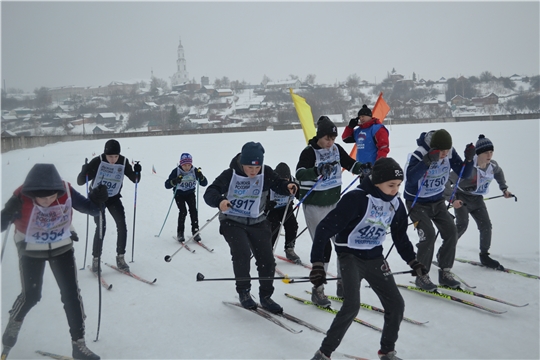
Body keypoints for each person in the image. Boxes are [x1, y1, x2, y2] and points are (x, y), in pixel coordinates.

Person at [309, 158, 427, 360]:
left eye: (398, 185)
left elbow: (400, 236)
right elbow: (324, 229)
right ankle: (324, 353)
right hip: (350, 256)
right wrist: (318, 264)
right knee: (351, 306)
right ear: (377, 181)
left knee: (396, 304)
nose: (395, 190)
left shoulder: (396, 204)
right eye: (391, 185)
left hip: (375, 257)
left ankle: (387, 352)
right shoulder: (356, 199)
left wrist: (412, 261)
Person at [1, 163, 108, 360]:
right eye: (43, 197)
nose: (48, 201)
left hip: (61, 247)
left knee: (71, 295)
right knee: (31, 295)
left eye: (52, 196)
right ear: (32, 193)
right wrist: (7, 214)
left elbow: (92, 210)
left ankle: (79, 345)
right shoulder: (21, 195)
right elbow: (2, 224)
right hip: (31, 250)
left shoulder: (65, 189)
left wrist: (98, 199)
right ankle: (11, 332)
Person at [203, 142, 297, 314]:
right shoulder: (230, 174)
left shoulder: (265, 172)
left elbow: (277, 184)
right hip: (232, 221)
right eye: (249, 168)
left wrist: (287, 187)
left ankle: (266, 296)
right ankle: (244, 292)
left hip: (257, 220)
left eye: (257, 167)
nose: (254, 172)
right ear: (242, 163)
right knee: (242, 253)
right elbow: (210, 192)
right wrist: (220, 201)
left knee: (267, 260)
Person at [295, 116, 370, 306]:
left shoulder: (336, 149)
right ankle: (318, 290)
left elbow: (350, 163)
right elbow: (300, 173)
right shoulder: (309, 152)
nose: (330, 143)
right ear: (319, 137)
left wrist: (364, 168)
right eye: (327, 139)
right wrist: (317, 169)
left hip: (334, 203)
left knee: (343, 243)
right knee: (324, 246)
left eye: (333, 139)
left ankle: (342, 284)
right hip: (314, 206)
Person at [404, 129, 475, 291]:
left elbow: (464, 173)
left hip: (437, 200)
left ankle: (445, 271)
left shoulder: (449, 152)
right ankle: (421, 276)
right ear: (433, 148)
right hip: (417, 203)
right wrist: (427, 161)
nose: (444, 154)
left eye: (446, 150)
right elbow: (411, 178)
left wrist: (469, 160)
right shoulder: (420, 153)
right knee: (428, 235)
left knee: (451, 231)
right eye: (441, 151)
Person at [447, 134, 512, 270]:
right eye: (486, 152)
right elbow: (447, 181)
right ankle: (445, 251)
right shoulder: (468, 168)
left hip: (477, 199)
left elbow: (499, 173)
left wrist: (504, 188)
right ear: (478, 153)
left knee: (486, 225)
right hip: (462, 198)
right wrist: (452, 199)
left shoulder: (492, 166)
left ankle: (484, 255)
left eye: (491, 152)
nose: (489, 155)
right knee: (462, 225)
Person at [76, 139, 141, 273]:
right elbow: (81, 181)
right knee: (101, 227)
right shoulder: (98, 161)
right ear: (105, 154)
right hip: (97, 199)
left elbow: (135, 180)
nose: (113, 160)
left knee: (121, 224)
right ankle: (96, 259)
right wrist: (84, 171)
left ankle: (121, 257)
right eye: (110, 156)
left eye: (115, 156)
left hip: (113, 197)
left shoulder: (123, 161)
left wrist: (137, 172)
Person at [164, 153, 208, 242]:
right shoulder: (176, 171)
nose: (187, 167)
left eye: (189, 165)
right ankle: (180, 233)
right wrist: (175, 181)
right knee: (183, 211)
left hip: (190, 193)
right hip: (179, 194)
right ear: (181, 164)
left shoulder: (194, 170)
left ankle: (195, 231)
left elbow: (204, 183)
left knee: (193, 211)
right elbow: (167, 185)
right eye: (184, 165)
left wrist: (201, 176)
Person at [266, 162, 300, 262]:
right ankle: (268, 251)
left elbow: (300, 192)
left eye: (287, 180)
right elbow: (260, 197)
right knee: (274, 226)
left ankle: (289, 248)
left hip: (285, 207)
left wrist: (300, 196)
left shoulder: (294, 182)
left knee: (292, 225)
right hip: (272, 209)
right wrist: (267, 203)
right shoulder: (270, 181)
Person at [342, 104, 390, 170]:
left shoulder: (377, 129)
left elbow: (383, 148)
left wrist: (378, 164)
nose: (361, 118)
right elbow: (345, 139)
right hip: (362, 168)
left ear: (369, 116)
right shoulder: (358, 130)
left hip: (374, 168)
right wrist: (350, 127)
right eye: (359, 117)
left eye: (363, 116)